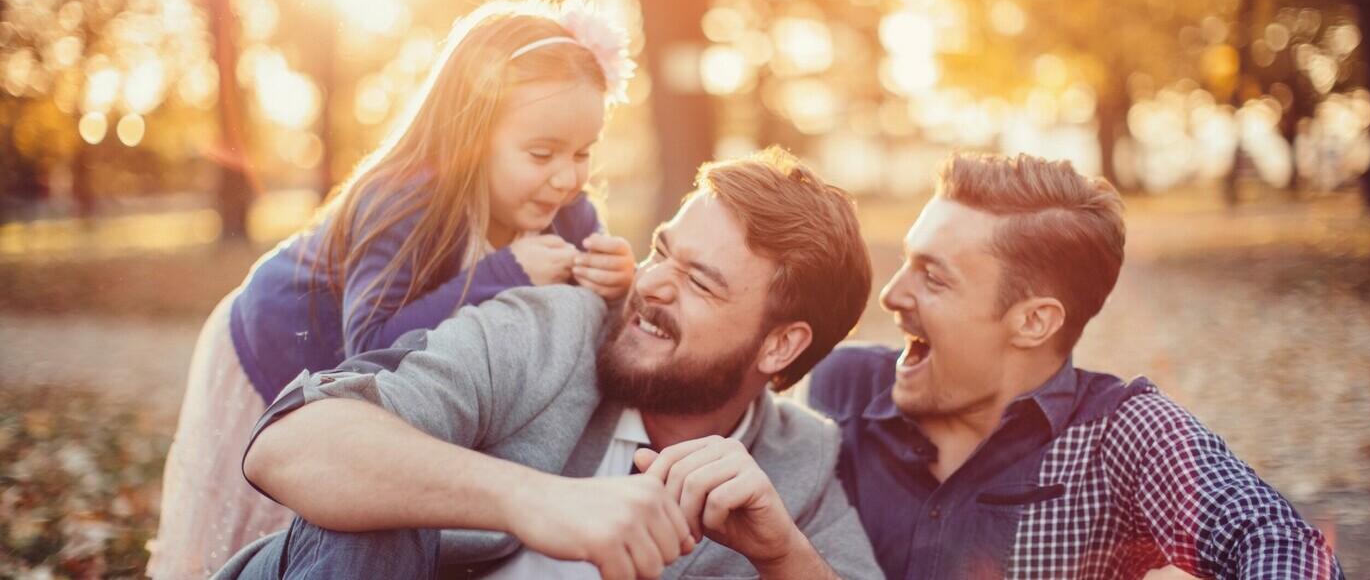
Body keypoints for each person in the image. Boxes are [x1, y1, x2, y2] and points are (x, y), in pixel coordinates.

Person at [216, 148, 880, 580]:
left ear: (780, 346)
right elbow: (287, 446)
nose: (650, 284)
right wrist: (535, 502)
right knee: (380, 515)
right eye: (661, 251)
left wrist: (781, 555)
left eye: (699, 282)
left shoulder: (798, 465)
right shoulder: (551, 330)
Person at [150, 0, 638, 578]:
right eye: (541, 153)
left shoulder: (569, 210)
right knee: (301, 512)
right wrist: (507, 272)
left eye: (584, 153)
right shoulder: (406, 201)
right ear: (471, 133)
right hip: (279, 351)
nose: (566, 178)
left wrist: (613, 281)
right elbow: (371, 345)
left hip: (364, 385)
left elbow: (584, 319)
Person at [807, 152, 1345, 579]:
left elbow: (1275, 539)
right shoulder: (843, 389)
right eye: (906, 260)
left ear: (1034, 322)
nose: (891, 295)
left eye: (934, 277)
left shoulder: (1124, 435)